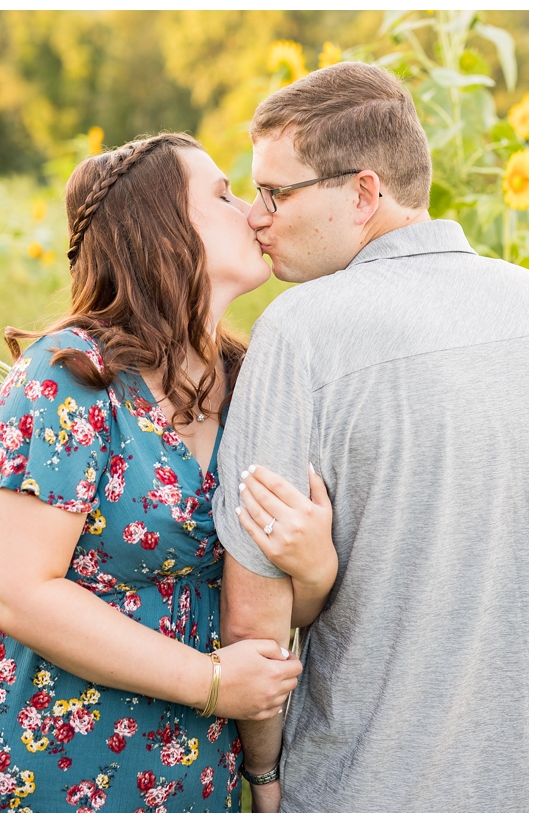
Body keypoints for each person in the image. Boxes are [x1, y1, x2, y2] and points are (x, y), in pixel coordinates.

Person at [215, 61, 528, 813]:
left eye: (274, 192)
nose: (256, 216)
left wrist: (263, 779)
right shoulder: (529, 299)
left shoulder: (300, 330)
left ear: (362, 192)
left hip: (365, 784)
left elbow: (254, 620)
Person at [0, 133, 331, 813]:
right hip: (63, 771)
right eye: (224, 193)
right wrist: (209, 681)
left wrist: (315, 568)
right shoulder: (72, 376)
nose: (253, 212)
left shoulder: (251, 381)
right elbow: (17, 590)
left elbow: (260, 609)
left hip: (196, 777)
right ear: (161, 226)